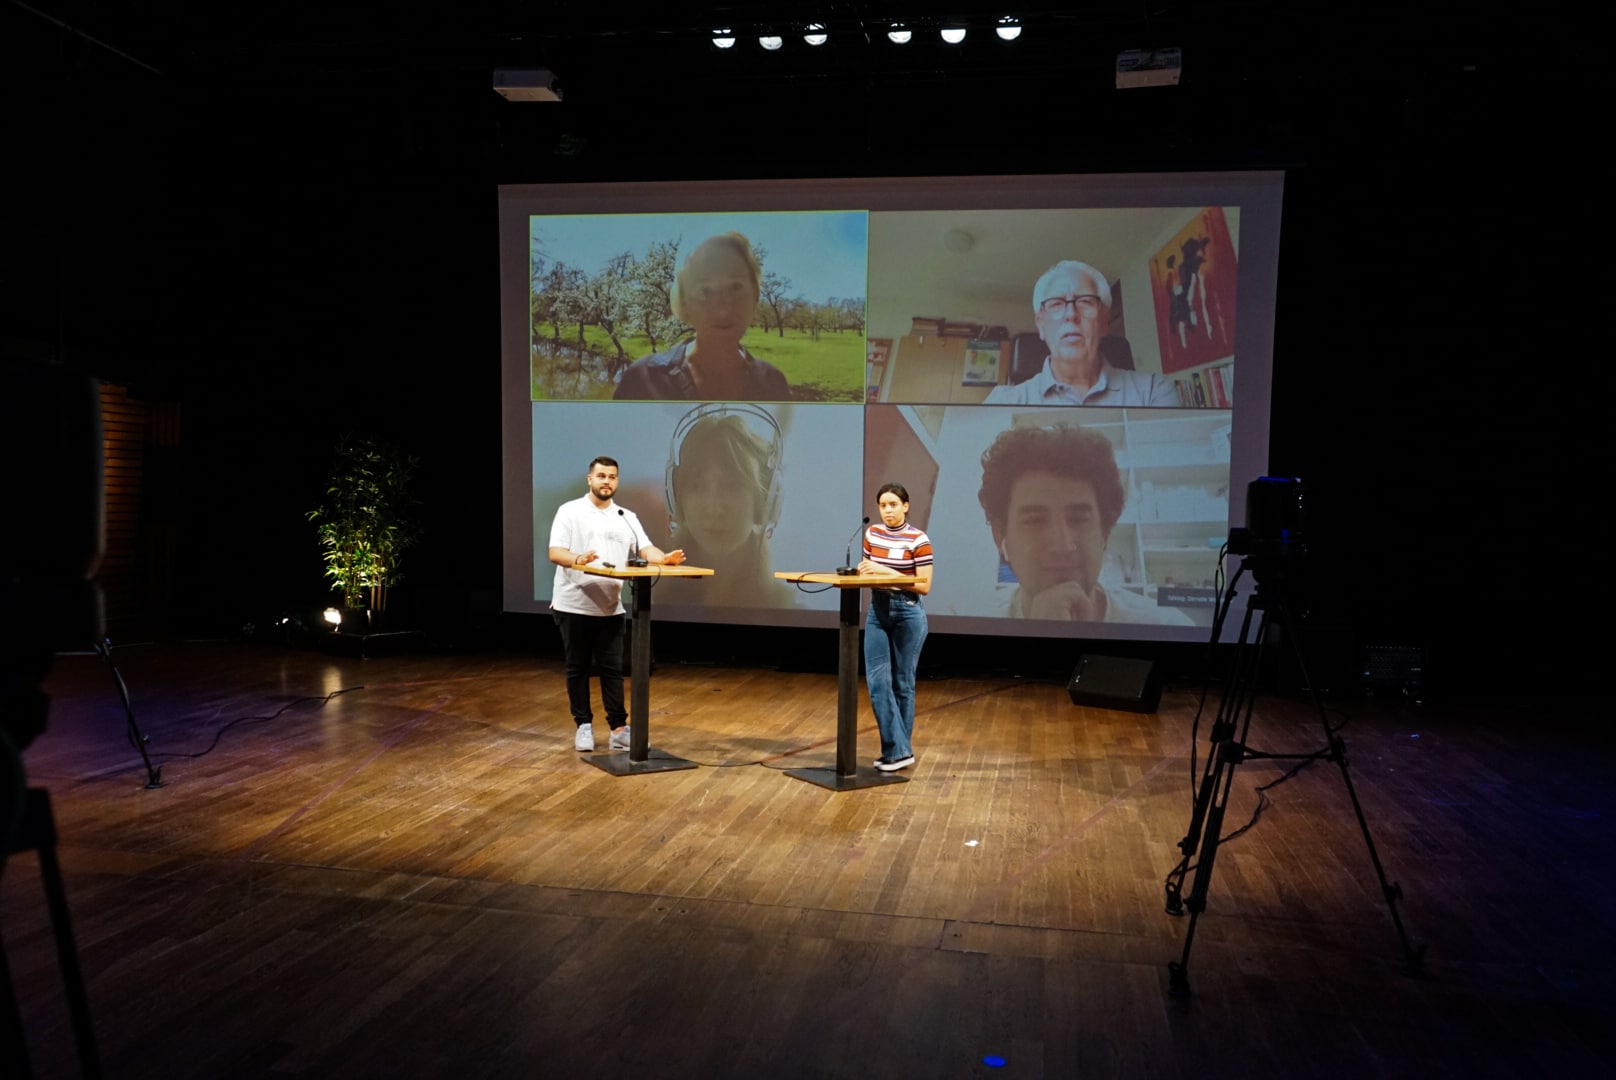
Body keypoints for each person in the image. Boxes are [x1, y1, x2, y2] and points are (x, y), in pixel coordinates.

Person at [976, 425, 1193, 625]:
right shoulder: (968, 624)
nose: (1062, 546)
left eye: (1078, 520)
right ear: (1000, 536)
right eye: (1035, 521)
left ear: (1104, 533)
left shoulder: (1167, 627)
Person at [547, 455, 686, 751]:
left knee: (612, 669)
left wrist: (664, 559)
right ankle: (583, 725)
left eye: (612, 477)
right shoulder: (570, 511)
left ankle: (618, 728)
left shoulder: (625, 516)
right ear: (590, 479)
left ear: (617, 481)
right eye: (601, 476)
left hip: (610, 607)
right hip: (574, 604)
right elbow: (556, 552)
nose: (606, 481)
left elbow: (645, 547)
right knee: (578, 667)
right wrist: (578, 559)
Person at [613, 232, 792, 402]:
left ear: (755, 295)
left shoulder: (773, 383)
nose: (723, 309)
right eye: (705, 291)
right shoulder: (642, 381)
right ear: (684, 302)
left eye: (736, 287)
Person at [983, 259, 1178, 407]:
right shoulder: (1004, 402)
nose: (1071, 314)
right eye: (1057, 303)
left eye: (1085, 301)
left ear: (1103, 322)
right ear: (1041, 325)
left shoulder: (1152, 392)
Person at [660, 403, 791, 609]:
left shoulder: (788, 608)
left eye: (733, 486)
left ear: (765, 501)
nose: (715, 509)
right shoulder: (646, 597)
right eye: (698, 487)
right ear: (677, 497)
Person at [858, 483, 934, 772]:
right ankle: (899, 750)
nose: (887, 510)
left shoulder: (918, 539)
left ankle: (898, 752)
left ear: (906, 506)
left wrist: (886, 572)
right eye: (882, 505)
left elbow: (923, 585)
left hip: (908, 610)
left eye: (893, 504)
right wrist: (866, 573)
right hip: (878, 609)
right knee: (878, 682)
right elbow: (868, 571)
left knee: (903, 684)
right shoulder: (872, 534)